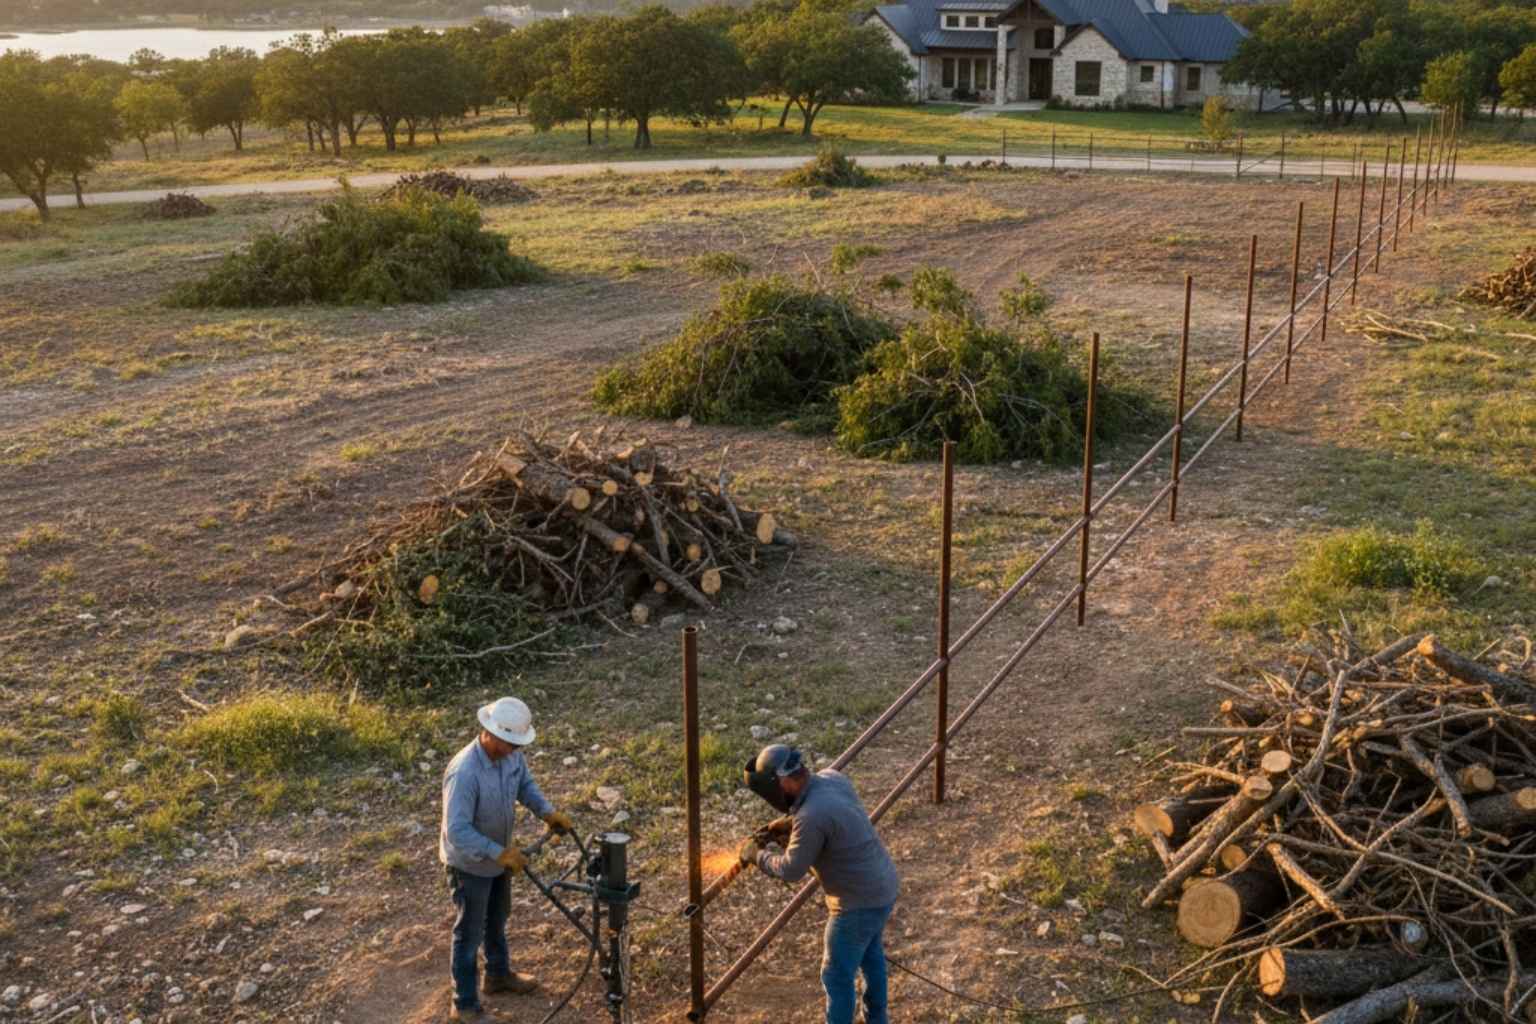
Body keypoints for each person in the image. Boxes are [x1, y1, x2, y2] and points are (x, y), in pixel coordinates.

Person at [738, 744, 901, 1024]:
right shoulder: (831, 778)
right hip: (883, 885)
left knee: (836, 975)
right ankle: (878, 1019)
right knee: (871, 954)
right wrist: (788, 823)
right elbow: (829, 818)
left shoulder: (810, 817)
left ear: (783, 782)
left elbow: (791, 869)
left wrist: (757, 855)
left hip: (856, 905)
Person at [439, 696, 574, 1023]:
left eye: (518, 743)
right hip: (470, 864)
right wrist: (497, 852)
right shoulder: (465, 772)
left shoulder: (511, 756)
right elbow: (457, 830)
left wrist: (547, 812)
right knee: (469, 933)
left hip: (500, 856)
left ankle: (497, 975)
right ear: (489, 732)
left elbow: (524, 785)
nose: (515, 749)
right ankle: (465, 1006)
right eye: (509, 742)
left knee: (497, 916)